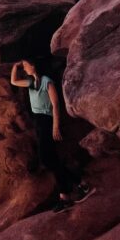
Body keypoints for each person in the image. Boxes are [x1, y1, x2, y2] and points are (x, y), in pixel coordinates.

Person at [10, 58, 93, 212]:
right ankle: (70, 193)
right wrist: (16, 66)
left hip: (47, 121)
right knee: (52, 160)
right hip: (38, 123)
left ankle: (78, 185)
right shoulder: (30, 83)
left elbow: (55, 104)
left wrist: (55, 126)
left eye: (26, 65)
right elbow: (14, 81)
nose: (25, 68)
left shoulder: (47, 81)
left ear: (34, 66)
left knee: (47, 160)